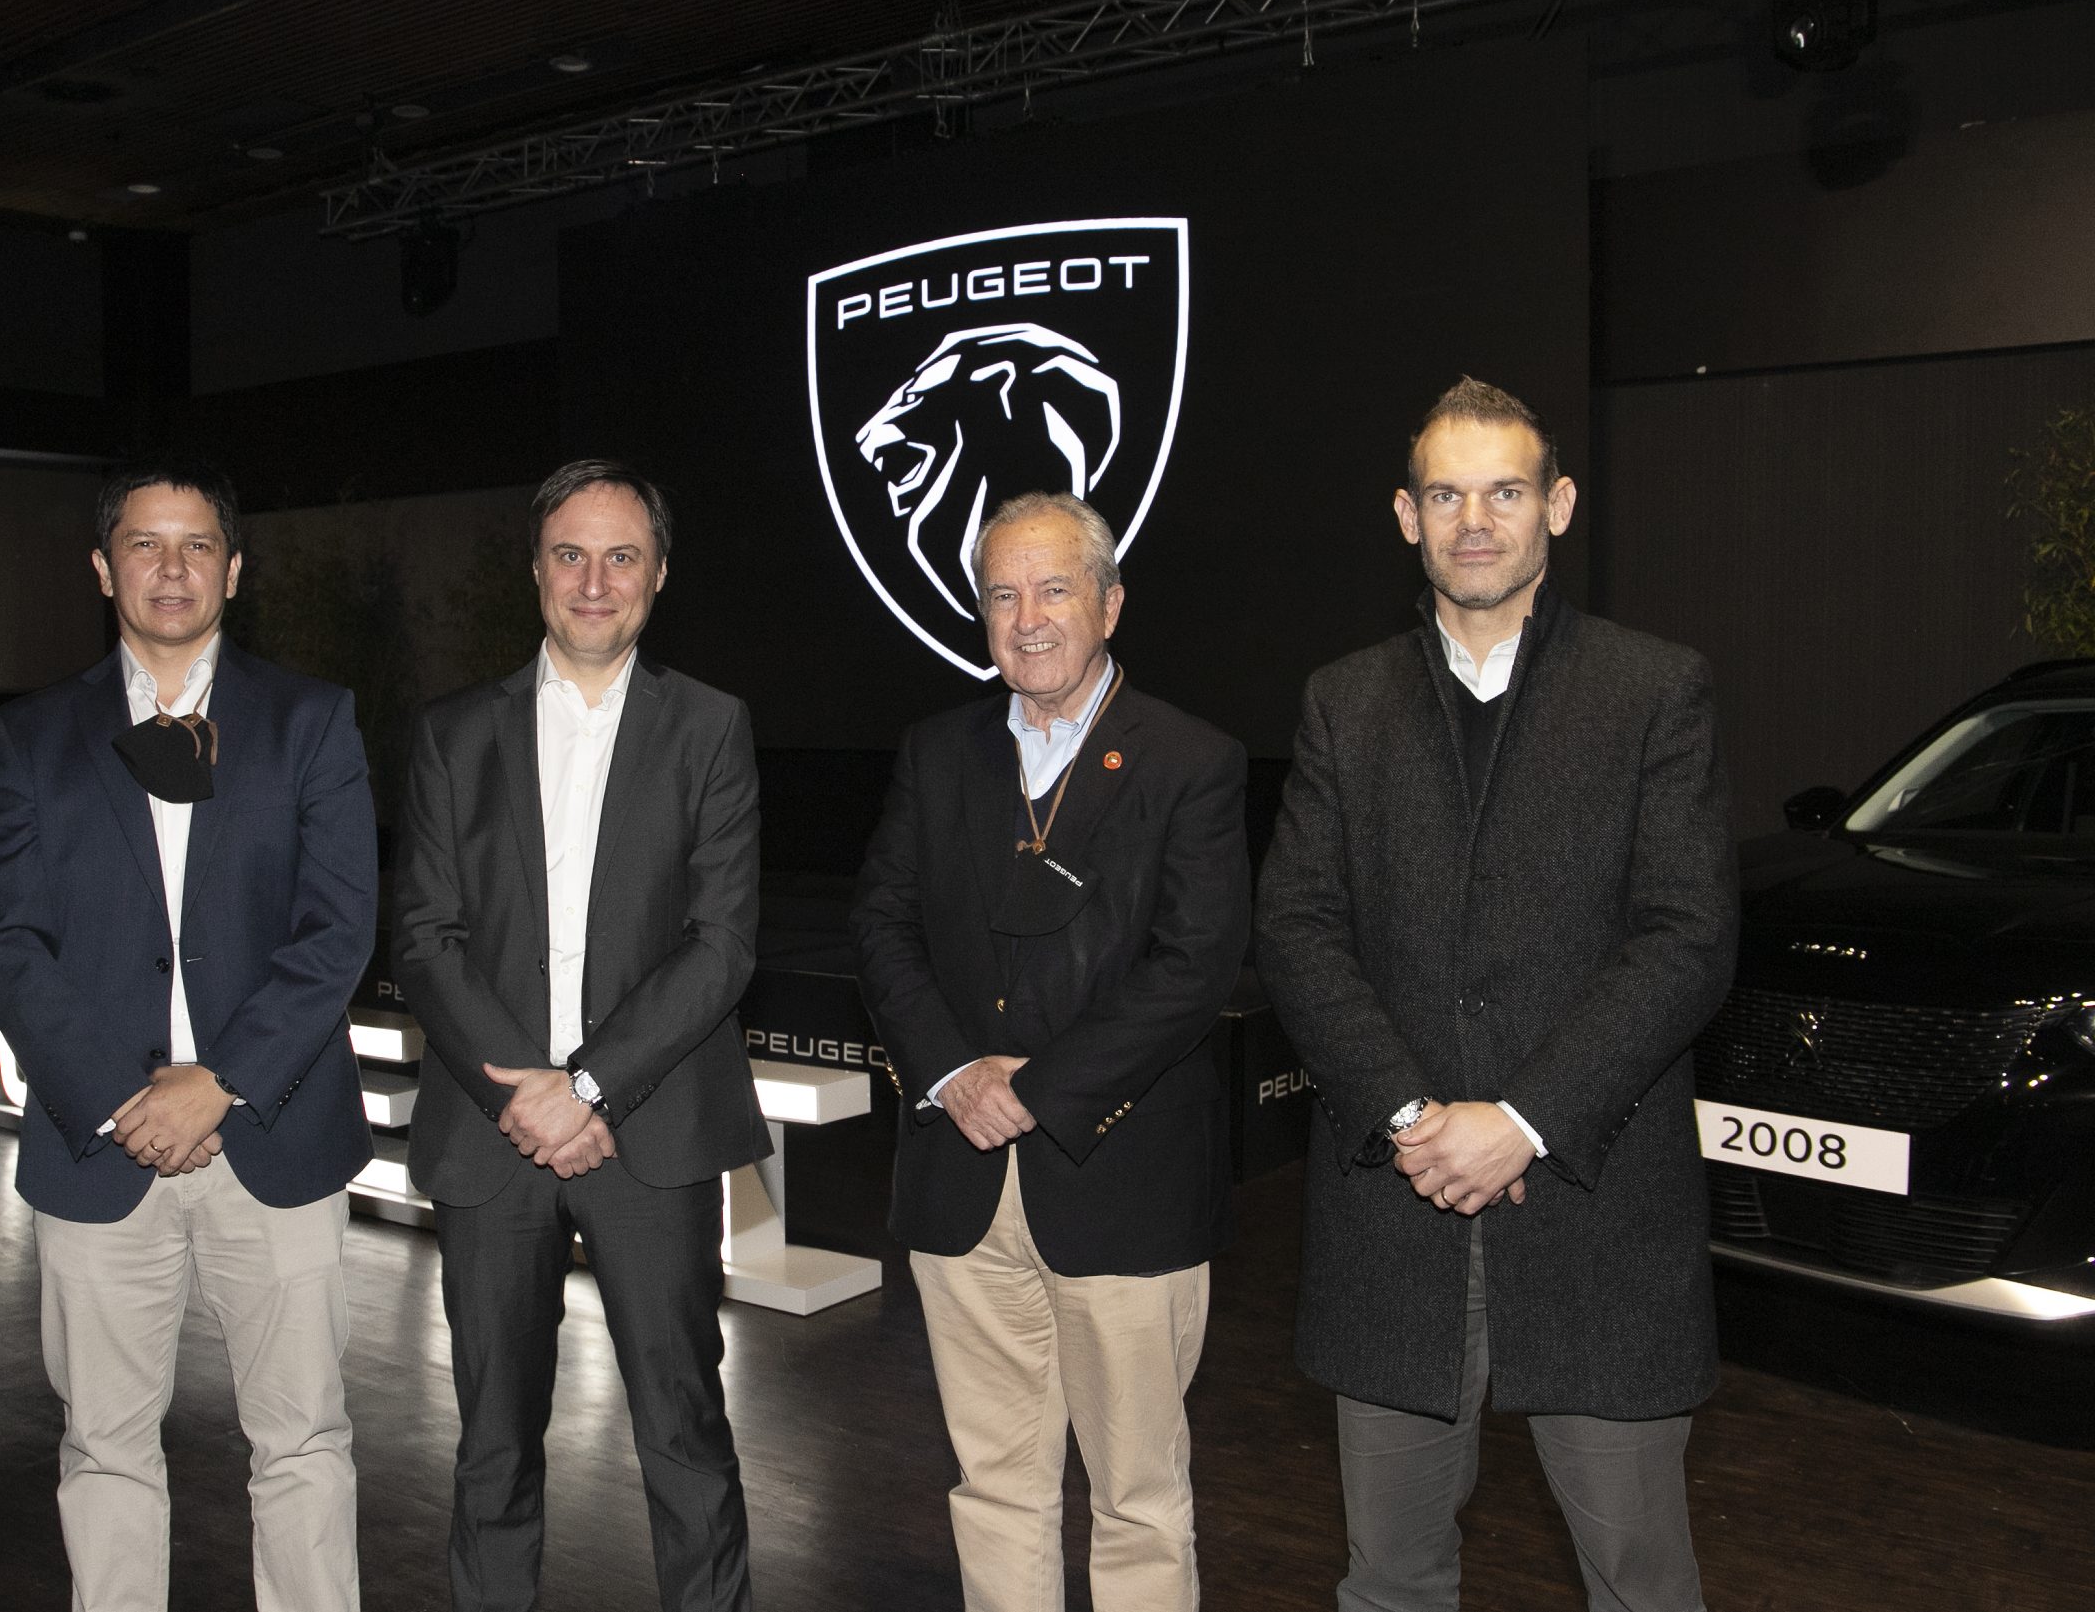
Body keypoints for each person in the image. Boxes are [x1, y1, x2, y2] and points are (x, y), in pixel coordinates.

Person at [1255, 378, 1739, 1612]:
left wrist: (1521, 1119)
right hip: (1395, 1213)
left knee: (1639, 1585)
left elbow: (1687, 939)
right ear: (1405, 516)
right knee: (1390, 1582)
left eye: (1504, 492)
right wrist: (1411, 1116)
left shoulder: (1653, 689)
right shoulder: (1342, 701)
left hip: (1597, 1221)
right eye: (1446, 495)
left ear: (1557, 506)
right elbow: (1298, 929)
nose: (1474, 521)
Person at [0, 456, 377, 1612]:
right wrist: (124, 1096)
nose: (171, 568)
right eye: (143, 544)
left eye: (197, 545)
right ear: (103, 570)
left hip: (275, 1134)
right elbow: (8, 940)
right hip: (100, 1146)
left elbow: (339, 928)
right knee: (103, 1447)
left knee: (304, 1441)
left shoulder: (310, 721)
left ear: (233, 570)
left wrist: (221, 1082)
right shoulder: (32, 736)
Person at [849, 490, 1254, 1612]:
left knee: (1137, 1498)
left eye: (1054, 589)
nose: (1027, 619)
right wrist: (952, 1073)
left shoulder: (1192, 760)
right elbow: (880, 925)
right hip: (960, 1179)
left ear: (1110, 605)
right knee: (994, 1485)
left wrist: (1037, 1091)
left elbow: (1195, 966)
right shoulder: (937, 752)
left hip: (1122, 1183)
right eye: (1001, 595)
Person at [394, 458, 766, 1612]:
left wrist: (589, 1088)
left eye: (620, 557)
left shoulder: (710, 726)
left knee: (685, 1437)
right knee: (492, 1446)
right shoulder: (454, 733)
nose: (593, 582)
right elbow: (424, 939)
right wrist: (531, 1097)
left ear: (659, 574)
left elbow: (720, 945)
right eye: (570, 555)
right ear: (535, 570)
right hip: (491, 1137)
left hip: (651, 1136)